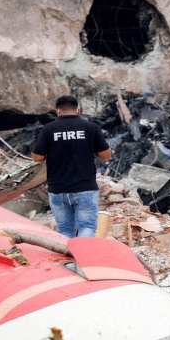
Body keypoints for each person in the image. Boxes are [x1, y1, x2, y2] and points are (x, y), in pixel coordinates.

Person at [32, 95, 112, 237]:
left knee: (65, 230)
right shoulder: (90, 128)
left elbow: (37, 158)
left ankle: (68, 252)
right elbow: (106, 155)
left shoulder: (48, 129)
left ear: (58, 111)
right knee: (87, 227)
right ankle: (83, 252)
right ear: (77, 109)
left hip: (58, 189)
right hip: (85, 188)